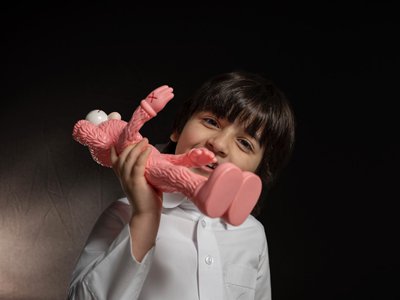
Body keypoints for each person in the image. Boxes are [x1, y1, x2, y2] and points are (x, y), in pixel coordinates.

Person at [67, 70, 296, 299]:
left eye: (245, 143)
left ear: (259, 171)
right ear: (178, 129)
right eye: (211, 121)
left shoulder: (252, 235)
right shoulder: (123, 213)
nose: (218, 144)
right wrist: (145, 217)